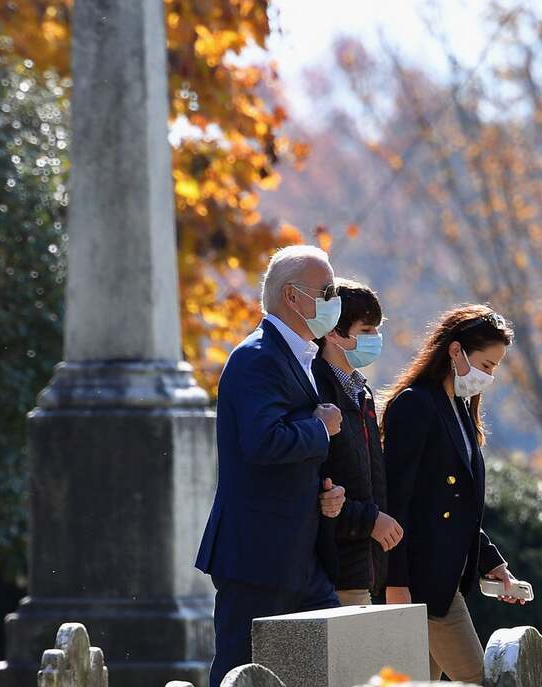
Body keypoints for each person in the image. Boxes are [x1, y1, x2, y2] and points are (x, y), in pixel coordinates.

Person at [194, 245, 348, 687]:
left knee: (329, 668)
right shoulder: (258, 357)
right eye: (327, 291)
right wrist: (320, 429)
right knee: (240, 674)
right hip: (257, 556)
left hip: (300, 556)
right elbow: (262, 442)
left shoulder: (298, 356)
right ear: (292, 296)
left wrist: (325, 493)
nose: (334, 301)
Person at [382, 304, 525, 684]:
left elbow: (456, 506)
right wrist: (396, 583)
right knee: (478, 677)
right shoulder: (415, 404)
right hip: (422, 582)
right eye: (487, 364)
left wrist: (491, 563)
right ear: (455, 350)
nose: (489, 376)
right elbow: (396, 499)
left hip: (444, 580)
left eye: (495, 367)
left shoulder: (459, 409)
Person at [313, 279, 403, 606]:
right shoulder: (316, 390)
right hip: (334, 571)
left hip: (364, 570)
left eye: (376, 329)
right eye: (365, 330)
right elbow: (318, 488)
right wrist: (369, 521)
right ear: (333, 333)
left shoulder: (361, 392)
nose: (375, 338)